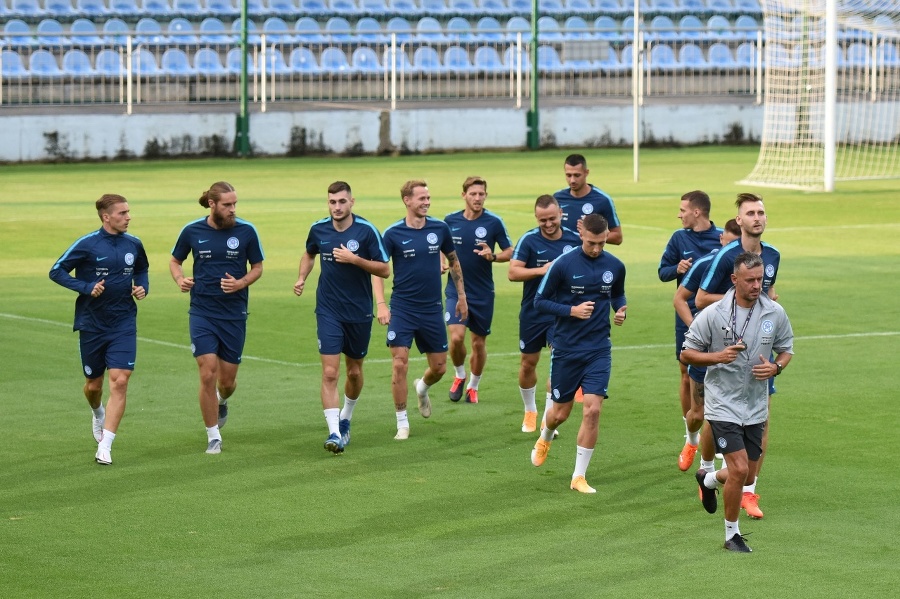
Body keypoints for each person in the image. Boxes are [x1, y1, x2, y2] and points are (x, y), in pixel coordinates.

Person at [680, 252, 794, 552]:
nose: (757, 285)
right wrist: (717, 357)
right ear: (735, 280)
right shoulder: (714, 314)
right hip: (722, 403)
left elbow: (786, 349)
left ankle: (708, 480)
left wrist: (777, 367)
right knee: (740, 469)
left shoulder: (774, 313)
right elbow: (687, 353)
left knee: (748, 475)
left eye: (760, 280)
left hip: (756, 405)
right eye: (750, 280)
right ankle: (732, 534)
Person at [696, 193, 781, 519]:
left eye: (761, 212)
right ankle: (706, 470)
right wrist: (743, 295)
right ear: (740, 221)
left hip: (759, 353)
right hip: (724, 352)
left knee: (762, 419)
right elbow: (702, 299)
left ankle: (748, 491)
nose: (757, 217)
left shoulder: (773, 255)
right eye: (751, 213)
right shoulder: (726, 257)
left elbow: (771, 293)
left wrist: (766, 301)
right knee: (710, 416)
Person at [530, 214, 627, 494]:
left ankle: (578, 477)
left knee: (594, 409)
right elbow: (540, 301)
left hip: (598, 348)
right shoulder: (564, 264)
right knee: (560, 413)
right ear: (581, 235)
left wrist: (620, 309)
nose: (596, 248)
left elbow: (617, 294)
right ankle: (545, 436)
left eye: (601, 243)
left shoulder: (615, 266)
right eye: (591, 243)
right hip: (567, 349)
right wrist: (571, 311)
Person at [49, 194, 149, 465]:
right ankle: (97, 412)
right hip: (92, 324)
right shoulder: (87, 244)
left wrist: (142, 287)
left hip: (123, 321)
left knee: (120, 379)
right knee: (94, 385)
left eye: (128, 212)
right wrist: (85, 287)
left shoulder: (134, 244)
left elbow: (141, 270)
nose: (128, 217)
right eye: (122, 213)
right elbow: (56, 271)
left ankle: (105, 445)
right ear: (106, 217)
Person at [294, 181, 390, 454]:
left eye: (342, 202)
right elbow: (309, 253)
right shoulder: (318, 228)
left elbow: (384, 270)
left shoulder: (367, 231)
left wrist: (355, 259)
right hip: (328, 310)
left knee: (355, 371)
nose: (337, 207)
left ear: (352, 202)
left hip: (359, 311)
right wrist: (302, 277)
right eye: (332, 202)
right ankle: (334, 432)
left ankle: (346, 417)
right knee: (329, 372)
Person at [170, 181, 265, 455]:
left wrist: (241, 283)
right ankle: (213, 436)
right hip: (202, 312)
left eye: (235, 204)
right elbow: (175, 261)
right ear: (212, 204)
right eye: (227, 205)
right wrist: (180, 279)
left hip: (234, 314)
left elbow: (257, 267)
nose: (232, 209)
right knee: (207, 371)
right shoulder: (192, 231)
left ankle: (222, 400)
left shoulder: (246, 231)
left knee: (227, 381)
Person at [374, 180, 467, 440]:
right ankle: (402, 422)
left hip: (432, 309)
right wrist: (381, 304)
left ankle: (422, 388)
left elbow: (453, 260)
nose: (426, 202)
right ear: (407, 200)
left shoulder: (440, 228)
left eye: (428, 198)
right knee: (399, 364)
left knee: (439, 368)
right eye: (421, 198)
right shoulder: (392, 233)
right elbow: (378, 271)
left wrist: (461, 296)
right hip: (402, 309)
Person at [657, 190, 723, 469]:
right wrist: (676, 268)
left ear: (697, 212)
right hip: (688, 317)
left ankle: (716, 436)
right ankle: (691, 435)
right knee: (686, 374)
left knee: (720, 375)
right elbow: (662, 272)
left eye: (683, 209)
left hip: (719, 319)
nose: (679, 214)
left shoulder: (721, 238)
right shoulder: (678, 238)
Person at [672, 218, 741, 473]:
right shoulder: (706, 264)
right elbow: (679, 299)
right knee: (698, 414)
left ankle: (708, 467)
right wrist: (695, 329)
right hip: (704, 349)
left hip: (734, 351)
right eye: (730, 244)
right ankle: (691, 441)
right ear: (721, 239)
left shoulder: (750, 267)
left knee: (721, 410)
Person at [508, 194, 580, 433]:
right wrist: (543, 270)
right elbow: (513, 272)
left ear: (560, 214)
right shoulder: (528, 240)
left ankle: (547, 419)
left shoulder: (574, 240)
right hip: (532, 312)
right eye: (543, 221)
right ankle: (530, 410)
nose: (548, 224)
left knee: (556, 364)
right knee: (528, 363)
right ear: (536, 218)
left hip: (559, 314)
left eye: (552, 219)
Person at [444, 176, 513, 405]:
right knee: (456, 338)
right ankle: (459, 374)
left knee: (478, 343)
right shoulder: (450, 221)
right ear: (463, 195)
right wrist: (441, 261)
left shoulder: (493, 222)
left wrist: (492, 256)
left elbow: (510, 251)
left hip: (482, 292)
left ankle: (473, 385)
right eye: (473, 194)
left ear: (486, 195)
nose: (477, 198)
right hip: (455, 289)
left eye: (481, 194)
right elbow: (440, 250)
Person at [553, 153, 623, 245]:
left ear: (586, 173)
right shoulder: (557, 198)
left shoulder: (602, 200)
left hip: (588, 257)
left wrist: (590, 233)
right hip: (561, 256)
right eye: (568, 175)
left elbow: (617, 237)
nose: (572, 180)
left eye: (577, 175)